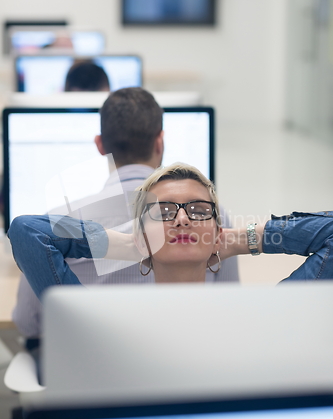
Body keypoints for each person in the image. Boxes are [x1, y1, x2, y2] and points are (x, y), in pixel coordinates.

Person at [12, 88, 239, 340]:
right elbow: (226, 307)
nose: (181, 220)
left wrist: (114, 244)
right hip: (182, 352)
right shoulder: (210, 220)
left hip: (88, 363)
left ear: (100, 145)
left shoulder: (58, 223)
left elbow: (27, 322)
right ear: (160, 142)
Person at [8, 163, 333, 300]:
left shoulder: (259, 317)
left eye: (198, 211)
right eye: (163, 212)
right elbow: (28, 232)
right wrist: (127, 245)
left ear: (219, 233)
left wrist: (236, 239)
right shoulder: (96, 322)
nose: (181, 220)